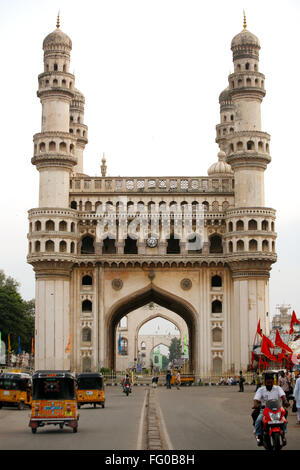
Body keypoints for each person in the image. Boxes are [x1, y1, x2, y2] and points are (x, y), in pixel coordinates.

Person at [252, 372, 289, 446]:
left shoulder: (278, 388)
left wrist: (285, 401)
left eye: (271, 382)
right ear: (265, 382)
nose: (269, 384)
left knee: (284, 420)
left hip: (277, 410)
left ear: (273, 382)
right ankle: (259, 436)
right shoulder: (261, 389)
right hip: (265, 410)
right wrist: (255, 404)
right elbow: (256, 398)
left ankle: (283, 434)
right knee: (259, 421)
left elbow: (283, 396)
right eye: (267, 382)